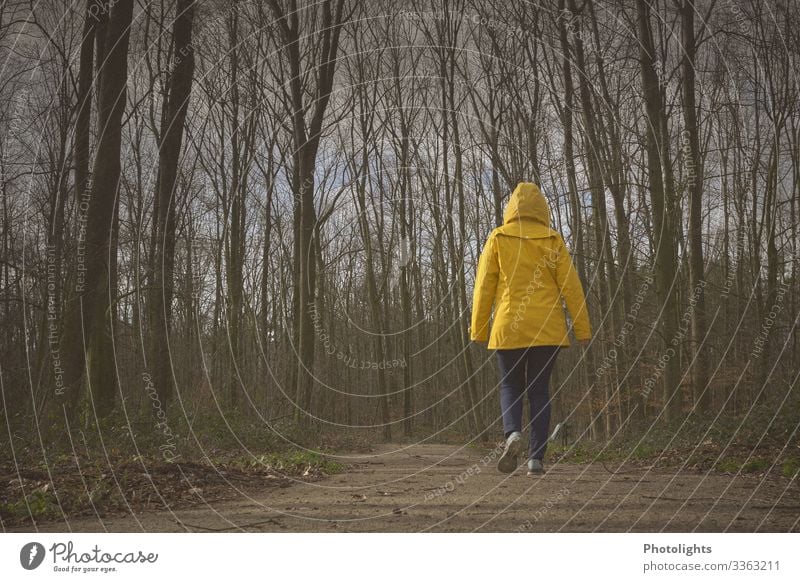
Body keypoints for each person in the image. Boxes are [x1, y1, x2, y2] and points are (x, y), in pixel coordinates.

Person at [470, 182, 592, 475]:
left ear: (511, 208)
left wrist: (478, 329)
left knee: (511, 385)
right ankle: (536, 458)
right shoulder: (552, 240)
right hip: (547, 329)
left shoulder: (498, 237)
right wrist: (582, 329)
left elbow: (483, 286)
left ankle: (512, 433)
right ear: (542, 209)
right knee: (539, 390)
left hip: (509, 326)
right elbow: (571, 288)